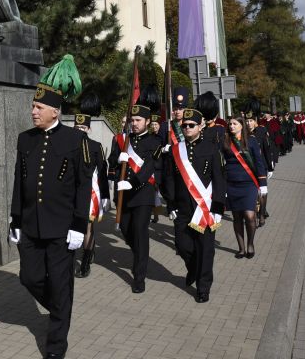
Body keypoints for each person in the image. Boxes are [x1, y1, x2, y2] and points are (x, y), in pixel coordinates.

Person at [9, 55, 92, 359]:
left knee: (60, 284)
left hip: (62, 228)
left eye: (38, 107)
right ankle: (60, 308)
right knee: (29, 278)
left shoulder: (75, 140)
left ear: (54, 111)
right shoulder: (25, 140)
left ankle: (56, 346)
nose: (33, 111)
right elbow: (20, 180)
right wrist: (15, 219)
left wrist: (79, 226)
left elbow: (84, 186)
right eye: (33, 106)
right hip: (31, 225)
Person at [161, 108, 226, 303]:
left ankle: (203, 287)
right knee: (182, 245)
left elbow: (219, 179)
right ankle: (194, 270)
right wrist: (170, 205)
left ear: (200, 126)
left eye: (191, 125)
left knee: (206, 249)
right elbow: (169, 179)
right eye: (185, 125)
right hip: (182, 207)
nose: (187, 128)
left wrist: (218, 207)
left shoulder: (211, 148)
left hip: (205, 208)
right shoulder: (175, 151)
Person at [113, 89, 162, 293]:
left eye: (138, 120)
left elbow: (150, 167)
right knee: (126, 229)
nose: (134, 123)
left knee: (140, 232)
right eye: (132, 120)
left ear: (147, 122)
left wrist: (132, 182)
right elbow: (112, 165)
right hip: (124, 195)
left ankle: (139, 276)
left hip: (142, 194)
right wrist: (118, 161)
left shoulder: (155, 142)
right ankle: (140, 255)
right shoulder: (123, 141)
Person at [73, 93, 109, 279]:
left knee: (88, 227)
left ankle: (86, 262)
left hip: (90, 193)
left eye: (83, 127)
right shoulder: (68, 145)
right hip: (71, 193)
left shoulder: (96, 147)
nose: (80, 130)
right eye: (77, 127)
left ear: (88, 128)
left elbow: (102, 173)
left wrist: (105, 197)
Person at [223, 116, 267, 259]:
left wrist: (263, 184)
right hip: (232, 184)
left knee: (249, 215)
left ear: (242, 126)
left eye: (235, 124)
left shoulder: (251, 140)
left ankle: (250, 244)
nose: (231, 126)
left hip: (249, 184)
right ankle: (241, 248)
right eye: (230, 124)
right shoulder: (225, 141)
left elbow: (259, 163)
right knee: (236, 217)